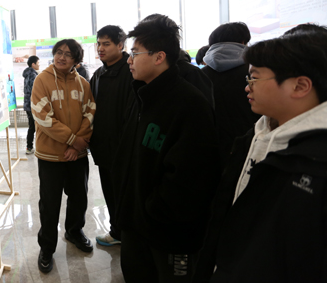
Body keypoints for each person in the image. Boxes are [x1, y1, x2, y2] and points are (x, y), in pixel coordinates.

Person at [194, 32, 327, 282]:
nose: (247, 86)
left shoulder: (316, 162)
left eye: (254, 78)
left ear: (300, 86)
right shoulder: (254, 136)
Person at [114, 15, 220, 282]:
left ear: (159, 57)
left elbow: (191, 178)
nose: (129, 60)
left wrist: (153, 212)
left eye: (135, 53)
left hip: (168, 233)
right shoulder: (141, 95)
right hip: (135, 225)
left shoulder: (189, 104)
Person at [31, 39, 96, 273]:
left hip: (77, 155)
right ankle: (47, 247)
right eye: (59, 52)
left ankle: (74, 231)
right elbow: (43, 117)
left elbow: (90, 113)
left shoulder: (83, 84)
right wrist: (73, 140)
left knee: (79, 197)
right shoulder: (42, 80)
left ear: (76, 60)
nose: (61, 57)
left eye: (68, 54)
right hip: (50, 155)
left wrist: (77, 145)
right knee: (49, 204)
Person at [89, 25, 133, 247]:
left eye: (106, 44)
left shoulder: (131, 70)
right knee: (110, 192)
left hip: (126, 149)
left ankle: (130, 235)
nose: (101, 48)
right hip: (104, 149)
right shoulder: (98, 75)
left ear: (120, 45)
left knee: (127, 194)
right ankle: (117, 231)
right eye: (99, 44)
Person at [203, 22, 259, 168]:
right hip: (247, 147)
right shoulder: (255, 74)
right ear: (243, 42)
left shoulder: (199, 75)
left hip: (206, 148)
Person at [22, 56, 39, 155]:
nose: (39, 65)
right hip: (33, 105)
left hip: (27, 104)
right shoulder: (33, 75)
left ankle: (29, 147)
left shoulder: (27, 74)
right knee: (36, 126)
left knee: (32, 126)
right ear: (33, 64)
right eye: (38, 63)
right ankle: (31, 147)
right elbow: (35, 91)